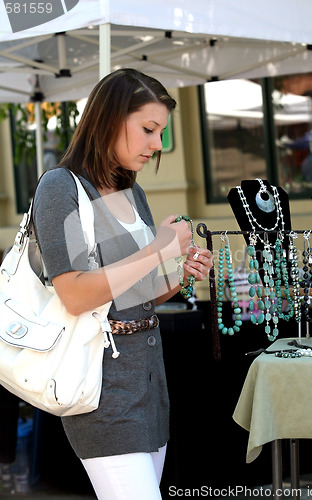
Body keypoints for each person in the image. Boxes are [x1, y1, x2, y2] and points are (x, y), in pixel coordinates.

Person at [33, 68, 213, 500]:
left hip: (149, 382)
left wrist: (177, 274)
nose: (158, 145)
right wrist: (159, 249)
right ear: (111, 119)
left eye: (161, 132)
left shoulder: (132, 191)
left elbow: (133, 294)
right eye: (149, 130)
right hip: (102, 389)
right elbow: (75, 294)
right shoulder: (61, 188)